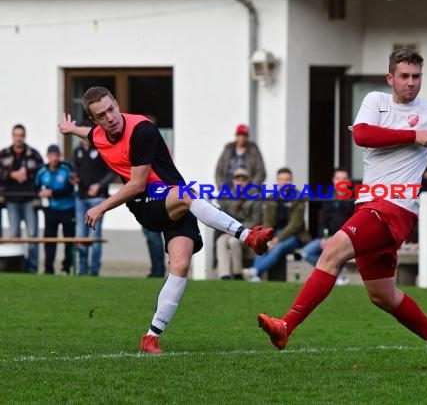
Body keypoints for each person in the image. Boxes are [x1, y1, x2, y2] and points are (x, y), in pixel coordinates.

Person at [257, 49, 427, 372]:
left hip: (395, 209)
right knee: (383, 295)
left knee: (331, 253)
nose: (411, 83)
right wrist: (413, 135)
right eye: (405, 76)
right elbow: (364, 135)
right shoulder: (375, 102)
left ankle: (286, 325)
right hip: (369, 204)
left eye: (417, 77)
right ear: (390, 78)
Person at [58, 86, 273, 354]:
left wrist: (100, 205)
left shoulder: (142, 131)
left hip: (174, 203)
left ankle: (151, 336)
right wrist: (70, 129)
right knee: (187, 194)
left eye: (111, 108)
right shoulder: (98, 133)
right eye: (101, 115)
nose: (110, 117)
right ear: (95, 120)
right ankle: (248, 236)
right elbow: (135, 185)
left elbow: (130, 176)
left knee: (180, 265)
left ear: (116, 102)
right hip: (147, 204)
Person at [242, 167, 311, 282]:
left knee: (278, 248)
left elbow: (295, 225)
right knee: (261, 244)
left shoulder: (299, 197)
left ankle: (255, 271)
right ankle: (255, 276)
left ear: (291, 181)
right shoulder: (271, 198)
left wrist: (278, 239)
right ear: (277, 181)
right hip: (274, 234)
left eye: (287, 179)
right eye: (282, 179)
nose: (284, 182)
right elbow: (267, 221)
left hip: (294, 236)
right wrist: (268, 237)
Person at [0, 124, 44, 273]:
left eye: (21, 135)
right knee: (15, 236)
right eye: (16, 135)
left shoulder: (34, 154)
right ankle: (17, 268)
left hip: (30, 201)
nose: (18, 138)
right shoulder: (4, 153)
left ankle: (32, 269)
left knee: (32, 236)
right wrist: (12, 174)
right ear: (13, 136)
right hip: (11, 201)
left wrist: (27, 175)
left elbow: (41, 174)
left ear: (24, 136)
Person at [299, 168, 354, 286]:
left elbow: (352, 223)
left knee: (333, 254)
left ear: (349, 181)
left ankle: (332, 273)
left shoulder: (354, 199)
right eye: (338, 179)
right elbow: (323, 220)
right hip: (327, 237)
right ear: (334, 180)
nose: (341, 182)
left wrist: (335, 238)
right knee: (304, 253)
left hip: (345, 239)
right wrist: (324, 237)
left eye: (344, 179)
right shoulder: (328, 197)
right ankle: (337, 275)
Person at [74, 139, 116, 276]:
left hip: (98, 199)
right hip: (81, 198)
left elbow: (112, 172)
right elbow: (76, 170)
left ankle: (94, 270)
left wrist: (99, 185)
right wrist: (75, 178)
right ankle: (82, 270)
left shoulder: (102, 149)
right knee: (81, 234)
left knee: (94, 235)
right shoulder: (78, 151)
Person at [35, 144, 76, 275]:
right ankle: (48, 268)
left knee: (68, 239)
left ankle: (66, 268)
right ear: (47, 156)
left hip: (68, 209)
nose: (54, 158)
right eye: (51, 155)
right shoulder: (42, 171)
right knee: (49, 240)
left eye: (56, 155)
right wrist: (41, 195)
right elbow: (35, 188)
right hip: (51, 210)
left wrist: (52, 192)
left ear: (60, 155)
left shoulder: (67, 168)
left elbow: (70, 189)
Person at [216, 167, 262, 280]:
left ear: (248, 181)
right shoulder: (228, 194)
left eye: (243, 180)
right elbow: (223, 215)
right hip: (231, 230)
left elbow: (256, 220)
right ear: (233, 181)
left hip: (249, 231)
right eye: (237, 179)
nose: (240, 182)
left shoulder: (255, 195)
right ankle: (224, 275)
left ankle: (237, 274)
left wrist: (238, 229)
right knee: (220, 241)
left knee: (233, 241)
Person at [214, 124, 266, 190]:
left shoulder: (254, 150)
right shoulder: (228, 149)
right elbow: (219, 170)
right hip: (229, 188)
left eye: (244, 135)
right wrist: (221, 186)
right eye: (240, 135)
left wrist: (253, 187)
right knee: (221, 200)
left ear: (247, 137)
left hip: (249, 189)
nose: (242, 138)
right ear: (236, 135)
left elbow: (261, 171)